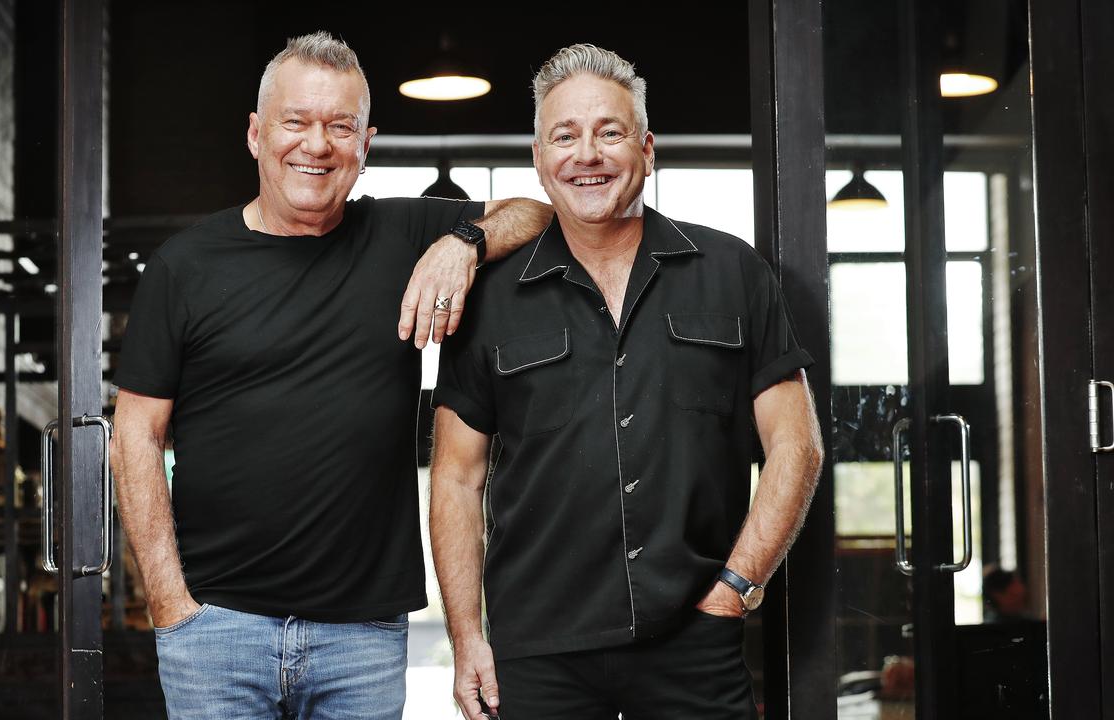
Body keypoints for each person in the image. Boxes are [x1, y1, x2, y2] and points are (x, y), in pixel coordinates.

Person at [111, 32, 551, 720]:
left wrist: (464, 243)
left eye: (339, 126)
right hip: (217, 631)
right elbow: (135, 434)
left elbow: (538, 213)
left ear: (364, 143)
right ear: (256, 134)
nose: (316, 144)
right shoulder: (185, 267)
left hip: (362, 640)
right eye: (296, 121)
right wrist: (168, 601)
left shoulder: (402, 234)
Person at [430, 44, 824, 719]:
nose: (588, 154)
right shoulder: (489, 298)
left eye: (609, 132)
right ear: (539, 158)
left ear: (646, 149)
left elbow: (797, 446)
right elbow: (455, 478)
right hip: (536, 652)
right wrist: (467, 638)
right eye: (566, 135)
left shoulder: (733, 273)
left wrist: (735, 588)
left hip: (694, 642)